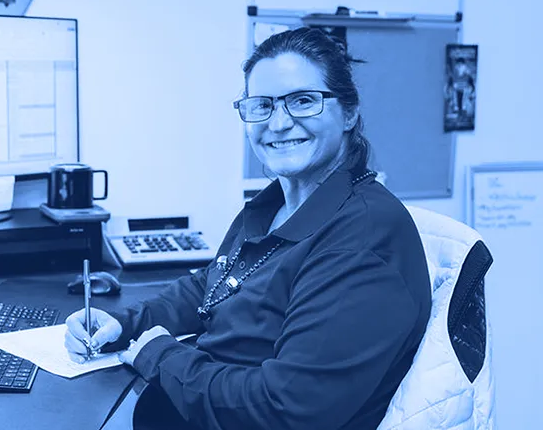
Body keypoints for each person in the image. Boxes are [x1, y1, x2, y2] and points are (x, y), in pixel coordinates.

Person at [64, 27, 432, 430]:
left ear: (348, 112)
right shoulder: (274, 204)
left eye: (303, 101)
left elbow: (285, 408)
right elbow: (215, 285)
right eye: (262, 106)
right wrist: (128, 324)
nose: (278, 123)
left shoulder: (363, 236)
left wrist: (160, 355)